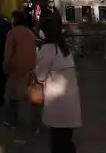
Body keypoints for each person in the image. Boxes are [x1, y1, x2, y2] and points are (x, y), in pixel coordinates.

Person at [35, 17, 81, 153]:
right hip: (71, 100)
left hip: (57, 102)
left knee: (57, 140)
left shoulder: (47, 49)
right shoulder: (64, 48)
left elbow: (40, 76)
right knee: (66, 138)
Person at [3, 10, 37, 128]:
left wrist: (6, 66)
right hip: (30, 67)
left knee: (13, 95)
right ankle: (35, 122)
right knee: (33, 96)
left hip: (16, 67)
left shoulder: (12, 33)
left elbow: (8, 53)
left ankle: (11, 120)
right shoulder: (30, 33)